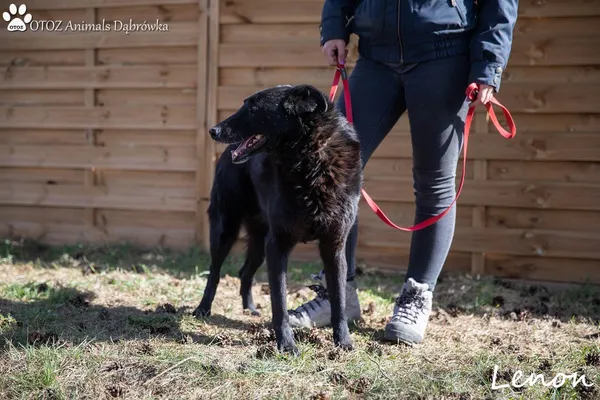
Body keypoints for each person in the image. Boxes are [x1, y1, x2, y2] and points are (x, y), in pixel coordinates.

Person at [287, 0, 519, 344]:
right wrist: (334, 25)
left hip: (445, 54)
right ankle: (338, 294)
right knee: (329, 166)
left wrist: (488, 64)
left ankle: (417, 295)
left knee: (434, 181)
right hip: (375, 58)